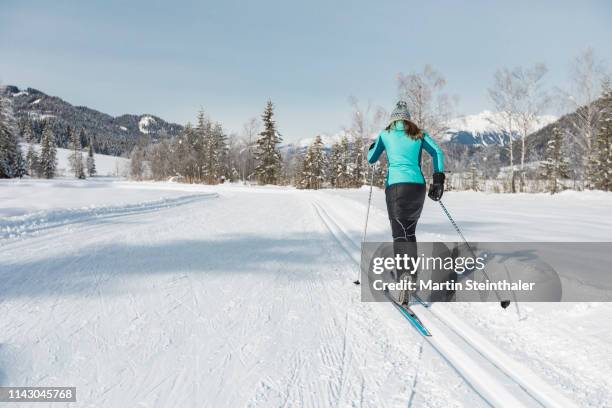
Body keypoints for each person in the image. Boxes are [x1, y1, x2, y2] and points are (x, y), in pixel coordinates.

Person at [367, 101, 445, 304]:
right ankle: (410, 276)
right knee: (409, 232)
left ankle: (404, 278)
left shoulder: (385, 134)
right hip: (417, 187)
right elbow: (437, 152)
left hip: (396, 188)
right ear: (407, 119)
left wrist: (372, 147)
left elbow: (371, 159)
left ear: (393, 119)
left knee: (399, 234)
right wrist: (438, 179)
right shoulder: (418, 133)